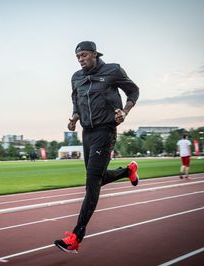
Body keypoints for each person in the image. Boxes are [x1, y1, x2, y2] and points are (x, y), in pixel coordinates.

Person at [54, 41, 140, 253]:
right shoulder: (76, 77)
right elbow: (76, 100)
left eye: (84, 55)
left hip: (106, 130)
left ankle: (76, 236)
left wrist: (125, 112)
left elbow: (133, 91)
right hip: (87, 133)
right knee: (97, 178)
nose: (81, 59)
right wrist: (74, 117)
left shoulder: (112, 70)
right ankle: (128, 171)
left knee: (92, 182)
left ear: (95, 54)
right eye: (78, 57)